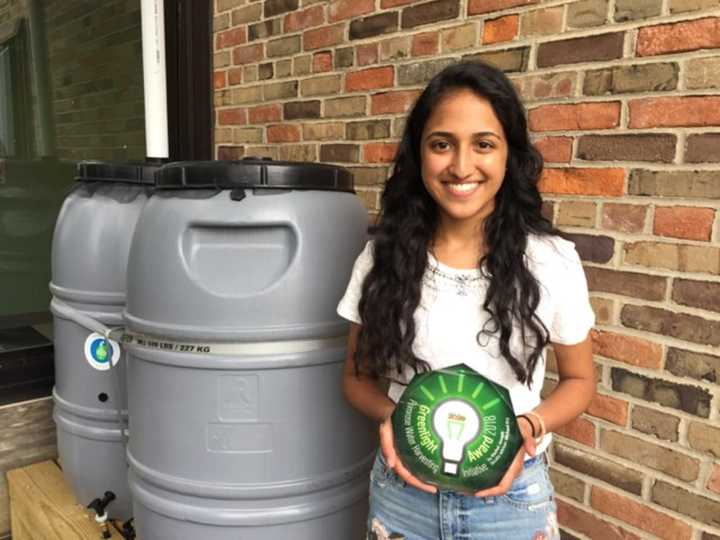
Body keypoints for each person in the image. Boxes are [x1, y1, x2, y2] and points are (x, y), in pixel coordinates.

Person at [336, 61, 596, 540]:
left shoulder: (552, 261)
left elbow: (580, 380)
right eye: (441, 144)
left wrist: (527, 427)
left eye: (483, 144)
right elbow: (355, 380)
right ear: (420, 154)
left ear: (508, 155)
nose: (460, 166)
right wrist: (406, 422)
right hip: (402, 498)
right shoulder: (381, 257)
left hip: (511, 502)